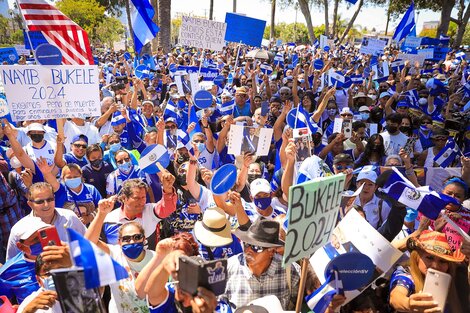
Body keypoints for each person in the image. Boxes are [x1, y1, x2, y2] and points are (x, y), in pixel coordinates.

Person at [86, 196, 155, 313]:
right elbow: (88, 243)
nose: (132, 241)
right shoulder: (114, 254)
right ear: (119, 242)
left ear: (144, 239)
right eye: (126, 239)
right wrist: (101, 214)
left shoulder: (155, 258)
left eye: (137, 237)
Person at [142, 232, 232, 313]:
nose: (184, 301)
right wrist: (165, 263)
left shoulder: (220, 307)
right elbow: (152, 294)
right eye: (182, 291)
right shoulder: (170, 296)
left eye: (194, 293)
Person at [227, 218, 301, 310]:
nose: (248, 250)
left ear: (272, 252)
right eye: (246, 244)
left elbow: (296, 304)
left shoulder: (291, 271)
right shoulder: (228, 269)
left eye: (256, 247)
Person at [389, 230, 466, 312]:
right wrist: (409, 304)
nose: (435, 266)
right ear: (417, 257)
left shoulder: (453, 278)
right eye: (429, 258)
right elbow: (396, 297)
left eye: (443, 261)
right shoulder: (406, 274)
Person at [6, 182, 86, 260]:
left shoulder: (70, 217)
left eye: (50, 199)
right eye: (40, 202)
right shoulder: (18, 230)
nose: (46, 205)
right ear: (30, 204)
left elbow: (88, 242)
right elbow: (12, 262)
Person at [102, 177, 176, 249]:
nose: (141, 202)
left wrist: (168, 189)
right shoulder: (108, 220)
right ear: (124, 198)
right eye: (136, 198)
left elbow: (167, 207)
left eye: (143, 197)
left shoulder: (150, 211)